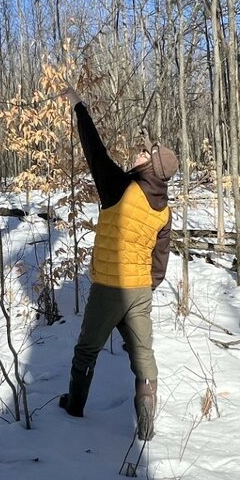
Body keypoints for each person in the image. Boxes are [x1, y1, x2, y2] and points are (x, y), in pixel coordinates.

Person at [56, 87, 177, 444]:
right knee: (142, 354)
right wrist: (147, 286)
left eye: (145, 153)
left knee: (86, 349)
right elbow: (161, 257)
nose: (139, 152)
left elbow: (94, 151)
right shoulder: (164, 208)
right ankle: (145, 421)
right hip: (139, 290)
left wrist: (80, 107)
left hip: (110, 287)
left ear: (150, 167)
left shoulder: (121, 187)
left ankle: (75, 406)